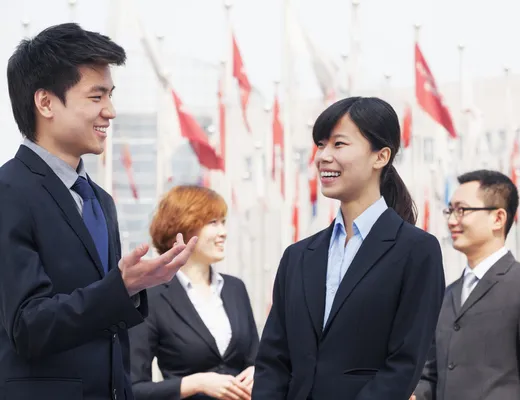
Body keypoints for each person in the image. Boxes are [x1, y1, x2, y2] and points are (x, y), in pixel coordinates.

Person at [0, 23, 197, 400]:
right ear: (45, 103)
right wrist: (121, 286)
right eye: (96, 96)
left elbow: (108, 330)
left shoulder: (99, 200)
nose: (110, 111)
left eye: (111, 95)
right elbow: (27, 325)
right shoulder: (9, 191)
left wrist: (134, 286)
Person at [252, 96, 446, 400]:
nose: (323, 157)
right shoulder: (298, 257)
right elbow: (273, 361)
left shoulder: (417, 251)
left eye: (339, 144)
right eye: (320, 145)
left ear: (380, 156)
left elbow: (404, 365)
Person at [412, 169, 520, 400]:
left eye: (462, 210)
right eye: (450, 210)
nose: (452, 220)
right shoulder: (446, 296)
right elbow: (432, 377)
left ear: (498, 218)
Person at [129, 185, 259, 400]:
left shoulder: (235, 289)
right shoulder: (151, 298)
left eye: (223, 222)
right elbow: (133, 388)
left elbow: (257, 359)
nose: (223, 232)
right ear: (182, 230)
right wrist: (195, 383)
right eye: (213, 223)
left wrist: (257, 372)